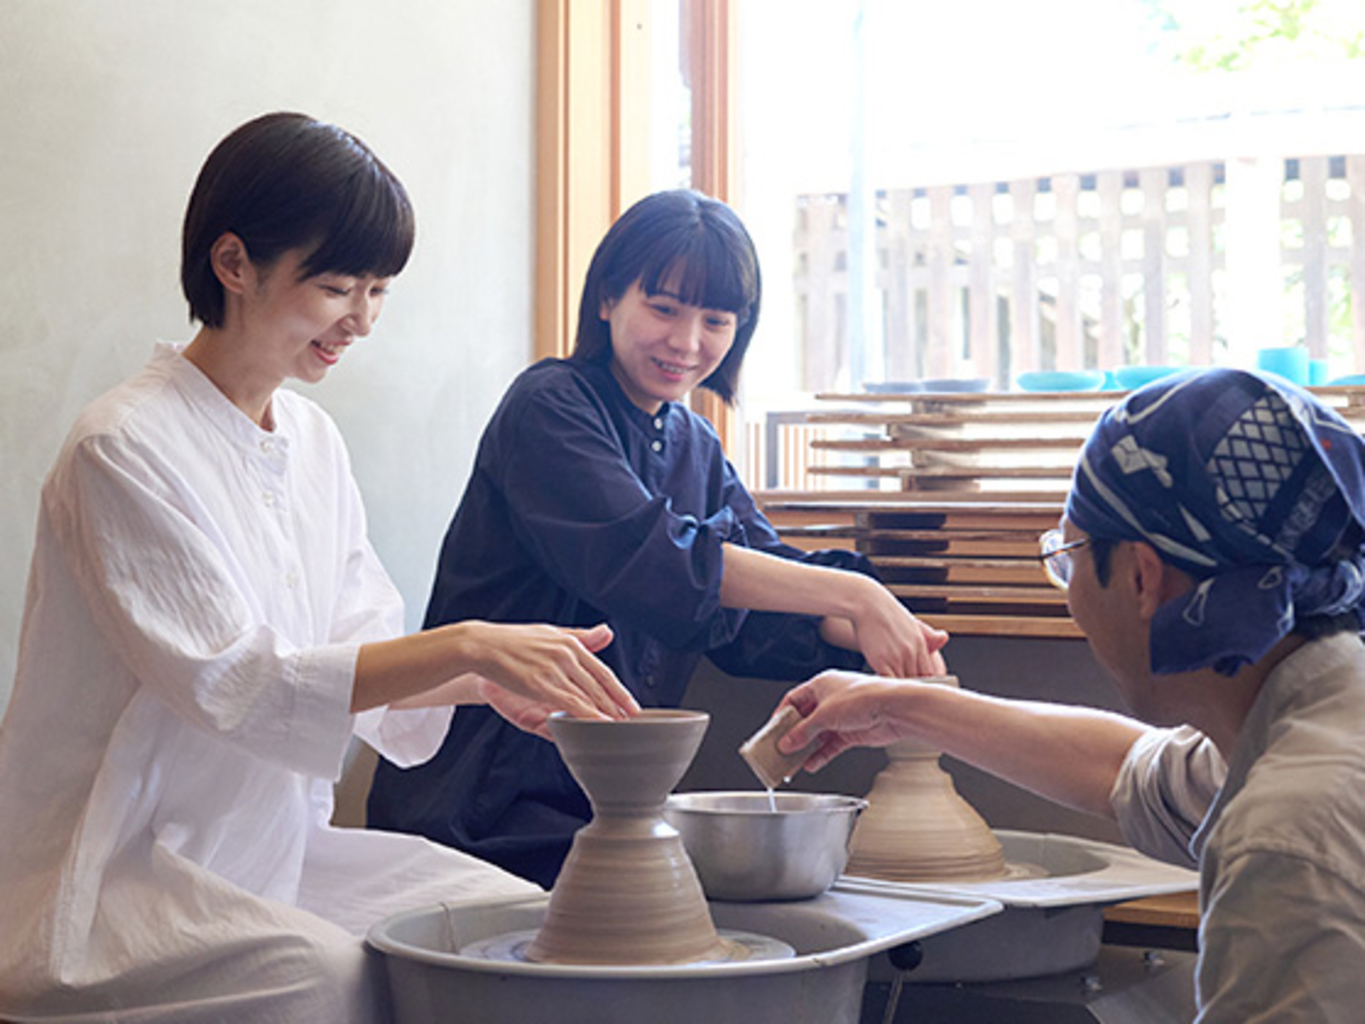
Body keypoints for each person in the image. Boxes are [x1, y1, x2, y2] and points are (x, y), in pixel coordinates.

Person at [0, 112, 637, 1024]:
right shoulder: (122, 446)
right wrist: (470, 644)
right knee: (323, 976)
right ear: (233, 264)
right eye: (338, 287)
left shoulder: (310, 439)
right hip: (123, 870)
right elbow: (241, 683)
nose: (362, 321)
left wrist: (479, 682)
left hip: (276, 851)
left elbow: (349, 651)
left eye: (379, 290)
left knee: (515, 920)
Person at [366, 189, 949, 886]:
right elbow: (656, 565)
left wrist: (886, 637)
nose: (687, 342)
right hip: (483, 804)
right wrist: (855, 595)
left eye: (716, 320)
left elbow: (756, 611)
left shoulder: (695, 445)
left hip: (611, 804)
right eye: (665, 308)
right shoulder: (548, 406)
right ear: (607, 297)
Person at [774, 367, 1365, 1022]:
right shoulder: (1312, 718)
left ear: (1142, 577)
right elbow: (1132, 773)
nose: (1071, 594)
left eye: (1067, 557)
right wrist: (901, 706)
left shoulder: (1290, 838)